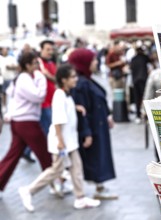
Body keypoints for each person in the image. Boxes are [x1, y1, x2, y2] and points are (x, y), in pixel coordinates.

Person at [18, 64, 100, 212]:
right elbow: (57, 120)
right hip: (62, 141)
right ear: (64, 80)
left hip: (70, 141)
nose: (76, 79)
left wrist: (76, 107)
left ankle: (80, 198)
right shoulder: (59, 95)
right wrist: (61, 142)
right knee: (56, 170)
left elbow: (65, 109)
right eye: (72, 77)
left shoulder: (66, 94)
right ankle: (29, 190)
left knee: (76, 168)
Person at [0, 52, 52, 199]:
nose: (37, 66)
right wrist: (42, 79)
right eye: (35, 63)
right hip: (26, 121)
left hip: (21, 120)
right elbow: (38, 96)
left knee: (13, 155)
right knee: (44, 154)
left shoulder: (22, 78)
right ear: (27, 65)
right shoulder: (24, 78)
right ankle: (56, 181)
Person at [68, 48, 117, 200]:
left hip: (99, 125)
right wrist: (86, 132)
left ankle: (100, 186)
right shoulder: (81, 84)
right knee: (94, 158)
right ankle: (97, 188)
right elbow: (81, 112)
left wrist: (107, 115)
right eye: (93, 60)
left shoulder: (88, 80)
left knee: (99, 156)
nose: (96, 62)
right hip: (93, 128)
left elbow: (99, 100)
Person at [22, 40, 57, 163]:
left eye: (51, 49)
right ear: (41, 49)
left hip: (51, 101)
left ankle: (26, 150)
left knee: (42, 130)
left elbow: (55, 78)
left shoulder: (51, 63)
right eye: (47, 49)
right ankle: (50, 158)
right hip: (43, 103)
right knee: (48, 130)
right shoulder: (38, 63)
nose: (50, 52)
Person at [130, 47, 152, 124]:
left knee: (137, 98)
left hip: (135, 80)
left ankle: (138, 115)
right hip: (143, 79)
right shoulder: (144, 57)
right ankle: (146, 115)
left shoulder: (133, 59)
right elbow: (150, 60)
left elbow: (131, 68)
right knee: (145, 97)